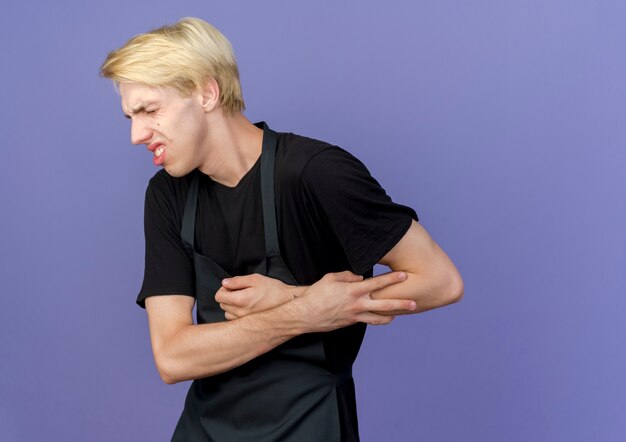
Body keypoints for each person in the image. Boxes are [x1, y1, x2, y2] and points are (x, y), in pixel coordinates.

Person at [100, 17, 463, 442]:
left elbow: (440, 282)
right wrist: (302, 310)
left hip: (312, 425)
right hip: (206, 430)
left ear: (206, 92)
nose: (136, 134)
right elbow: (173, 357)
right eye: (130, 116)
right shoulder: (167, 195)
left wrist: (294, 298)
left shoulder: (315, 173)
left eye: (149, 110)